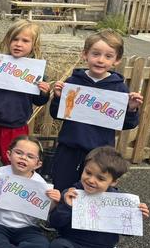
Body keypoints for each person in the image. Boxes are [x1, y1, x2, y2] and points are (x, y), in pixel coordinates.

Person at [48, 146, 150, 248]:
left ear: (113, 182)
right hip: (73, 244)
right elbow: (55, 222)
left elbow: (128, 232)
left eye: (100, 178)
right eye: (88, 173)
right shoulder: (72, 193)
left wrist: (135, 217)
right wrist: (67, 206)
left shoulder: (120, 200)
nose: (91, 180)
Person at [49, 29, 144, 191]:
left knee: (93, 192)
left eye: (108, 56)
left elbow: (127, 124)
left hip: (100, 154)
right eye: (96, 54)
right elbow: (56, 114)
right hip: (69, 150)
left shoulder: (119, 88)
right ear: (85, 54)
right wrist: (58, 98)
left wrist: (131, 110)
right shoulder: (73, 82)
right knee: (62, 188)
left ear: (116, 60)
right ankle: (61, 208)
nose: (100, 60)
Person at [0, 20, 50, 170]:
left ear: (34, 45)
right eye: (15, 39)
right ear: (8, 40)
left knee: (13, 165)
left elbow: (39, 101)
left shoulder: (36, 71)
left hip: (16, 127)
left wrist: (44, 91)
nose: (18, 44)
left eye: (25, 41)